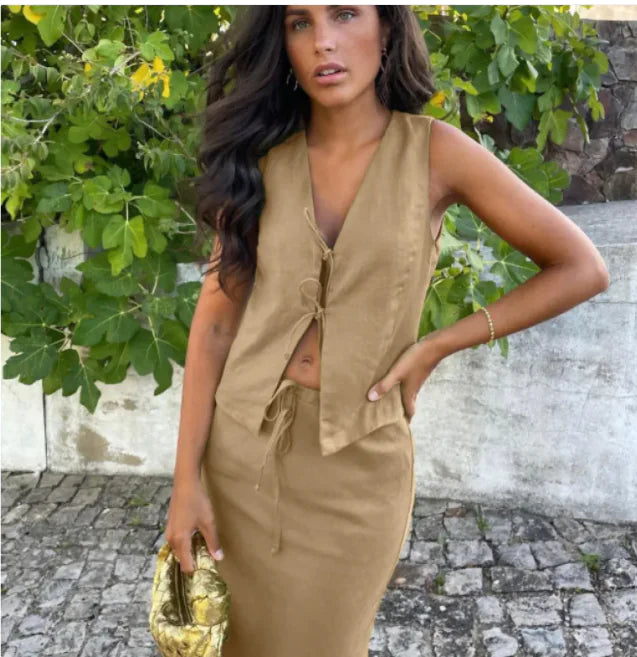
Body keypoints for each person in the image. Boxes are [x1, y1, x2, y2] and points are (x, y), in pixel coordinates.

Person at [164, 6, 610, 655]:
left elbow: (580, 267)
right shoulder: (260, 158)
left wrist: (437, 344)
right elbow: (213, 328)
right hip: (239, 460)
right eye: (299, 23)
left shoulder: (436, 153)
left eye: (345, 14)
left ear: (388, 30)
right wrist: (185, 483)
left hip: (358, 472)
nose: (323, 41)